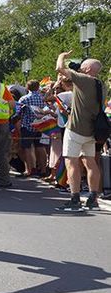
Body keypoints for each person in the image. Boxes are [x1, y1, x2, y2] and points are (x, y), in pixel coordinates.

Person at [55, 53, 106, 211]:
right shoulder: (100, 84)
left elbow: (59, 68)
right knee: (90, 163)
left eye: (84, 65)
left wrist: (62, 56)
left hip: (76, 128)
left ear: (89, 69)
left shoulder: (83, 80)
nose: (81, 67)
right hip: (92, 131)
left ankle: (75, 199)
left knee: (72, 163)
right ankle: (93, 198)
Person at [15, 80, 46, 177]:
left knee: (27, 148)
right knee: (41, 147)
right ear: (38, 87)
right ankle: (43, 170)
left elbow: (18, 112)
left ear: (27, 88)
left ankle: (30, 170)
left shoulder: (24, 99)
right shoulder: (42, 98)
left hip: (27, 126)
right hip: (40, 125)